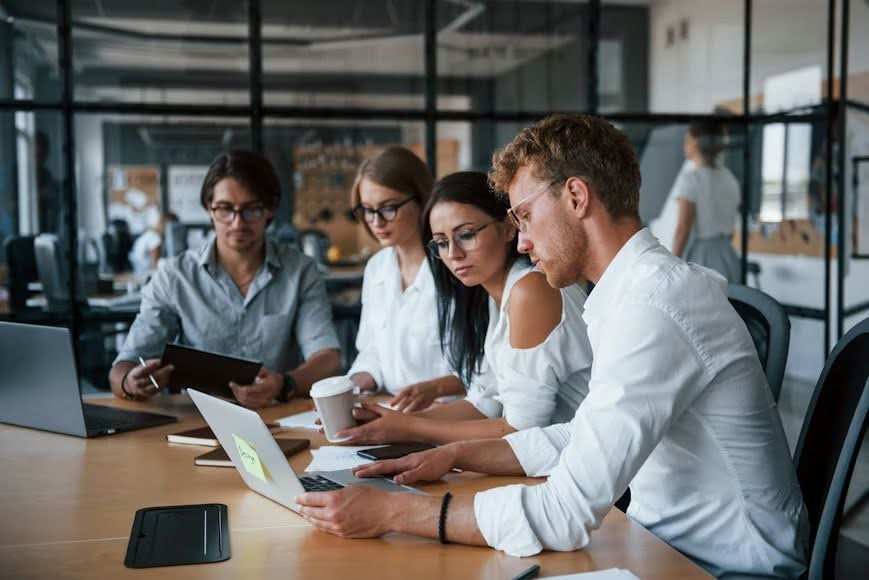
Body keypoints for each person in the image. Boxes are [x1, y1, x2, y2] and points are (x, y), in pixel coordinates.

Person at [294, 114, 809, 579]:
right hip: (658, 544)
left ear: (576, 197)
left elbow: (566, 512)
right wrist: (453, 454)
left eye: (524, 216)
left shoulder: (654, 306)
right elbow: (583, 436)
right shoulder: (630, 295)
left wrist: (395, 512)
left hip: (723, 567)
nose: (520, 241)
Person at [336, 171, 592, 446]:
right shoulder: (493, 297)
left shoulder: (531, 290)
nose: (453, 254)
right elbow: (485, 402)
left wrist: (408, 427)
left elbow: (520, 430)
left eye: (466, 235)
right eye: (441, 242)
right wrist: (387, 420)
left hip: (590, 461)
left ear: (508, 228)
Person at [109, 150, 341, 408]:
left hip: (275, 415)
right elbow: (123, 366)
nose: (237, 223)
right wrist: (130, 382)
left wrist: (284, 383)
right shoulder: (176, 277)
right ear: (209, 208)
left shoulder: (300, 271)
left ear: (270, 209)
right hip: (199, 417)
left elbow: (328, 359)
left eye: (251, 210)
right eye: (225, 209)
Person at [347, 147, 466, 411]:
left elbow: (484, 370)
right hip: (392, 408)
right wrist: (351, 387)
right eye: (367, 210)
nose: (376, 222)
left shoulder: (457, 263)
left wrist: (434, 388)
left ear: (422, 199)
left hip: (453, 412)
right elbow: (371, 351)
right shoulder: (377, 268)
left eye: (388, 208)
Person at [670, 121, 741, 282]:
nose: (684, 145)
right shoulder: (730, 178)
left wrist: (672, 266)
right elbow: (731, 229)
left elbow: (683, 229)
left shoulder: (691, 179)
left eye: (686, 139)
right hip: (728, 255)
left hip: (702, 257)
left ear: (694, 141)